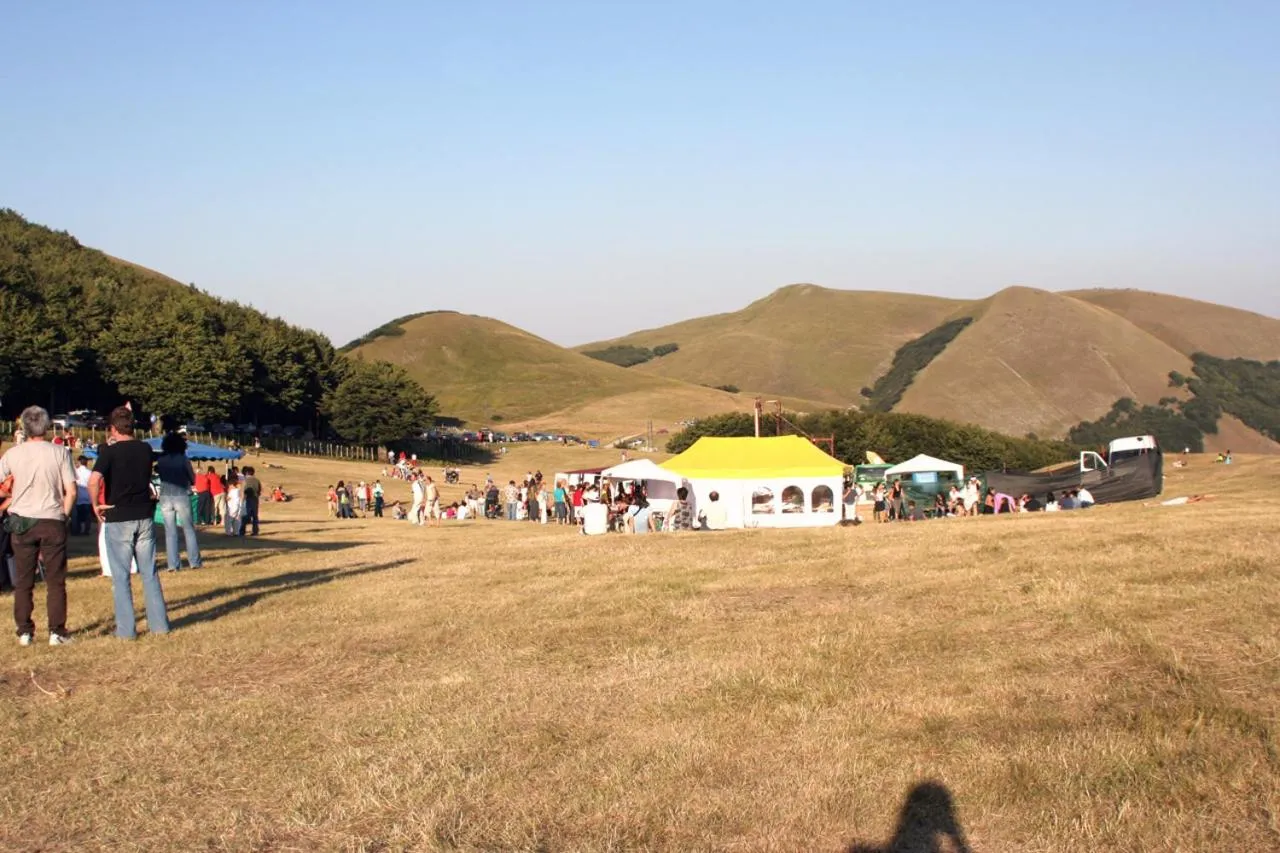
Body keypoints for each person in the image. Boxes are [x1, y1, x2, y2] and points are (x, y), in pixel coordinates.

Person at [90, 406, 170, 641]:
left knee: (121, 576)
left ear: (113, 429)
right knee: (149, 573)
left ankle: (126, 630)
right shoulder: (145, 449)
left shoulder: (109, 452)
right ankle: (160, 625)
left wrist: (96, 504)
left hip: (119, 516)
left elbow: (94, 480)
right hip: (144, 515)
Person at [1, 406, 77, 646]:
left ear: (24, 426)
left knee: (23, 581)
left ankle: (24, 630)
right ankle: (57, 631)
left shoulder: (13, 454)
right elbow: (71, 490)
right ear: (46, 427)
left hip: (23, 521)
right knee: (55, 581)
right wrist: (64, 515)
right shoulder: (60, 452)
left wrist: (10, 499)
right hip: (52, 518)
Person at [156, 431, 203, 571]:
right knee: (188, 529)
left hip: (165, 496)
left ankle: (173, 564)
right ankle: (194, 562)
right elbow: (192, 478)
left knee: (170, 532)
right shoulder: (183, 459)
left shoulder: (161, 460)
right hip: (181, 494)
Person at [73, 454, 94, 535]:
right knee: (87, 516)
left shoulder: (75, 472)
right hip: (87, 497)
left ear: (79, 462)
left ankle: (77, 530)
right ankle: (86, 531)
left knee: (77, 516)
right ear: (86, 463)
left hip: (78, 497)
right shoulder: (90, 472)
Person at [240, 465, 262, 535]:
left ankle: (242, 531)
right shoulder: (257, 480)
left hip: (247, 499)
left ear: (246, 473)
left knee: (245, 516)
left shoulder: (245, 481)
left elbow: (243, 490)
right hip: (255, 499)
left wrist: (242, 499)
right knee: (255, 516)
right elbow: (259, 490)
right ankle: (255, 531)